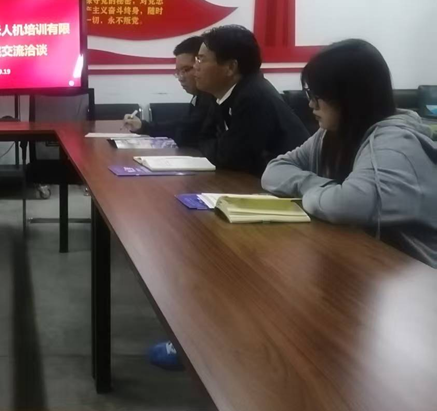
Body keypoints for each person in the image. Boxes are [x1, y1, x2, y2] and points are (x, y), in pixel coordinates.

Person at [262, 39, 437, 268]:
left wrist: (321, 192)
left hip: (418, 275)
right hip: (370, 262)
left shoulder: (395, 143)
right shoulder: (332, 134)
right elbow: (274, 171)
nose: (311, 105)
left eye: (318, 95)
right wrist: (324, 186)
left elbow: (347, 205)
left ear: (350, 97)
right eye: (309, 93)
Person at [194, 25, 309, 175]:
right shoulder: (222, 93)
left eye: (201, 59)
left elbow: (230, 158)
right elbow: (203, 138)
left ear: (230, 67)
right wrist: (215, 146)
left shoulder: (253, 97)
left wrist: (214, 146)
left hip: (287, 181)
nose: (195, 66)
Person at [123, 36, 215, 148]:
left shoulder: (212, 97)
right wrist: (143, 126)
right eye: (178, 72)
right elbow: (185, 127)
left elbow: (186, 132)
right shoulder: (198, 96)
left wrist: (144, 126)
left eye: (186, 70)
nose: (181, 78)